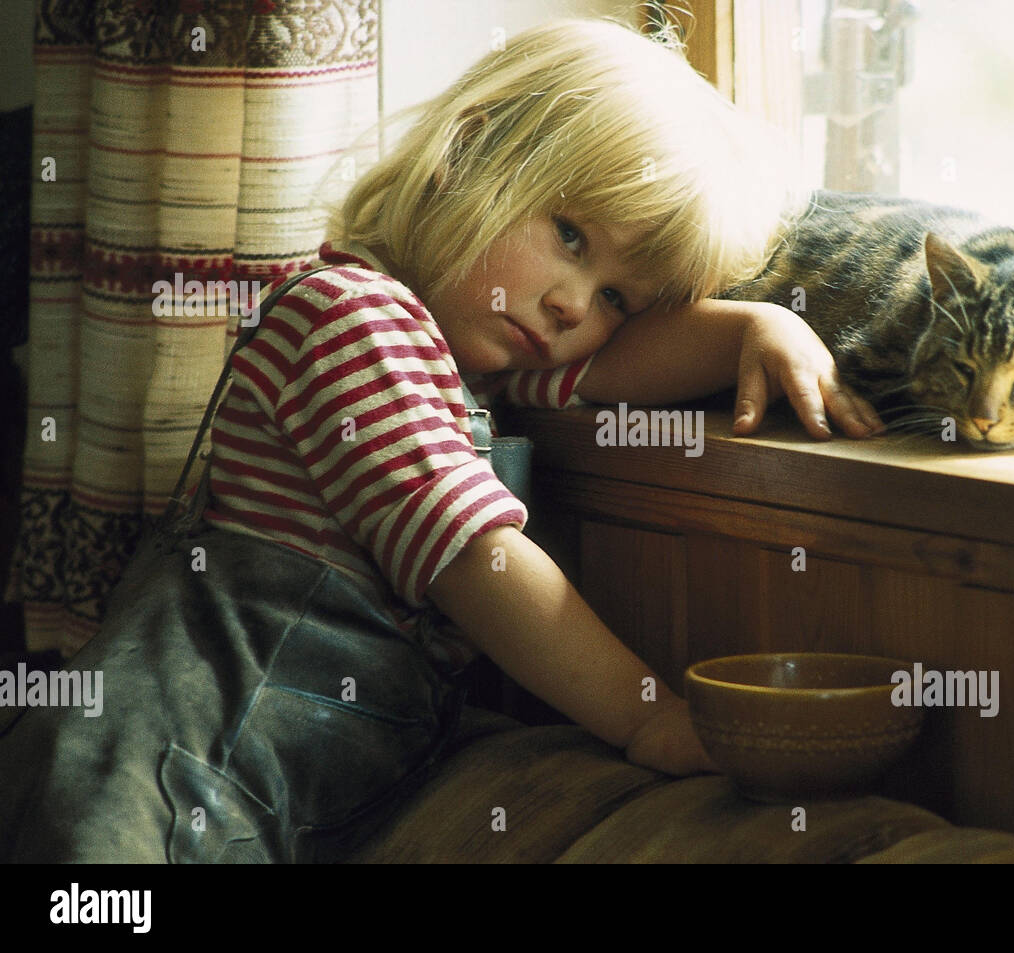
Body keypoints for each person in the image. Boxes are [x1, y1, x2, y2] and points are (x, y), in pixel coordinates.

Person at [0, 17, 881, 863]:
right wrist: (645, 711)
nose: (576, 305)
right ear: (462, 158)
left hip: (258, 798)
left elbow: (613, 372)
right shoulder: (354, 322)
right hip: (147, 785)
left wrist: (748, 330)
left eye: (618, 297)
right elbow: (472, 553)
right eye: (570, 237)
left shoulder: (473, 369)